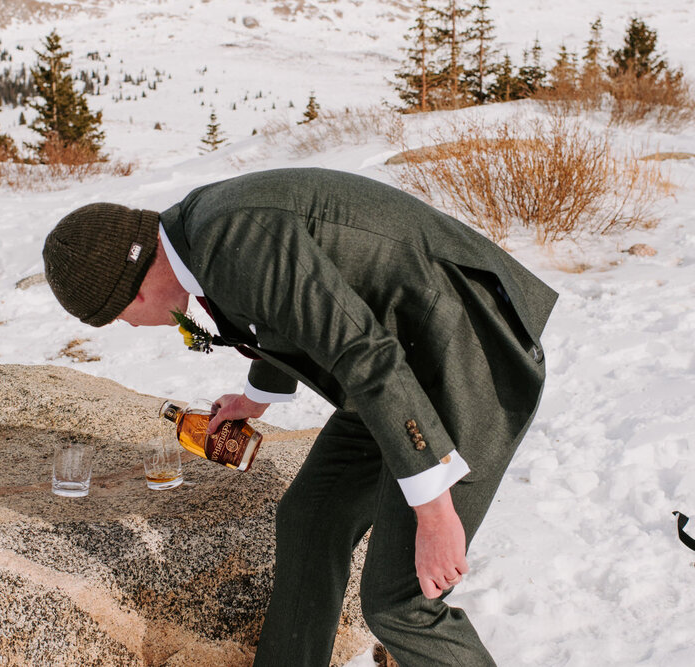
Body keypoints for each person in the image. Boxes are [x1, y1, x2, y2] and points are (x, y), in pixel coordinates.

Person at [42, 168, 557, 666]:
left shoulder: (229, 237)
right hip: (401, 370)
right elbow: (289, 308)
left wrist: (435, 512)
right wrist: (254, 399)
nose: (131, 326)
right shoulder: (200, 234)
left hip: (466, 360)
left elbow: (364, 353)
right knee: (310, 519)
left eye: (118, 317)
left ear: (132, 291)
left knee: (401, 604)